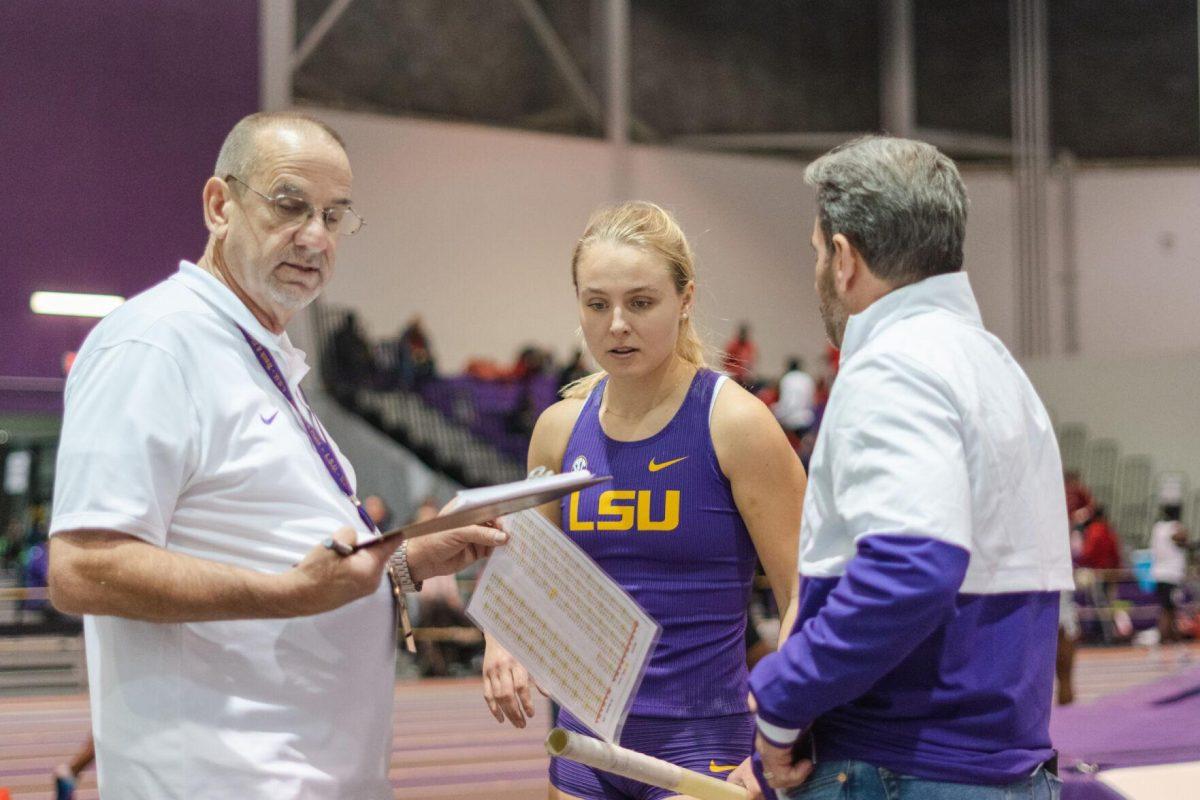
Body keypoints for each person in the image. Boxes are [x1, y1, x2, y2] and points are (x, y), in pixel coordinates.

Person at [46, 111, 507, 800]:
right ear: (218, 205)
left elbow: (265, 542)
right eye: (290, 205)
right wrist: (286, 596)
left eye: (334, 215)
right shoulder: (155, 344)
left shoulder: (261, 359)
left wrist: (399, 565)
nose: (315, 237)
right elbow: (81, 568)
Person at [748, 136, 1072, 799]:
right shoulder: (996, 369)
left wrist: (781, 702)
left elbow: (912, 566)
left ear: (844, 258)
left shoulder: (894, 365)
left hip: (903, 766)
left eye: (817, 252)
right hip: (1002, 768)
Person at [481, 202, 806, 800]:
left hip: (704, 748)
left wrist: (781, 723)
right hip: (585, 745)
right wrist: (501, 642)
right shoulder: (558, 429)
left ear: (685, 299)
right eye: (596, 304)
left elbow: (802, 595)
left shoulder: (734, 423)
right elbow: (519, 573)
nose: (617, 325)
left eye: (641, 302)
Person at [1150, 504, 1190, 645]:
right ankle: (1164, 638)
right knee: (1169, 608)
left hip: (1159, 573)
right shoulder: (1175, 527)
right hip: (1171, 575)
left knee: (1169, 607)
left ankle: (1172, 637)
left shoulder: (1157, 527)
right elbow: (1182, 538)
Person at [772, 358, 816, 440]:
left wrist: (776, 413)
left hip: (790, 422)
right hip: (806, 420)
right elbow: (811, 402)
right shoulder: (807, 378)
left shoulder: (787, 378)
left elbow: (788, 404)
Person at [722, 323, 758, 387]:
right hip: (734, 377)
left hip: (745, 378)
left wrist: (750, 374)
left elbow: (752, 362)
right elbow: (725, 361)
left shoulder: (749, 346)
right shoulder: (733, 345)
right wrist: (732, 373)